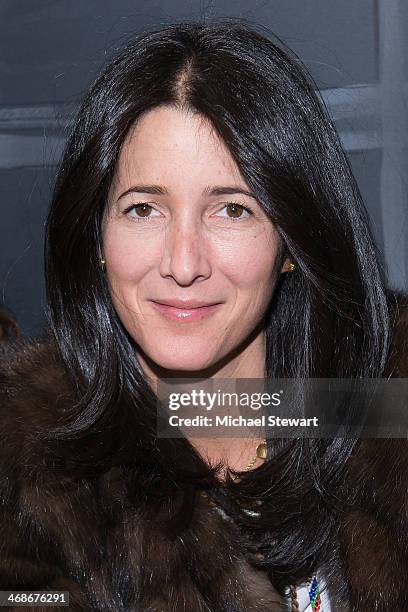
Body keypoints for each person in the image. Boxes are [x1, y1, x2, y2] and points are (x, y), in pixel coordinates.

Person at [0, 19, 407, 612]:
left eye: (232, 211)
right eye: (143, 209)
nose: (183, 263)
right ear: (95, 237)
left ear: (291, 241)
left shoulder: (386, 409)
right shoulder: (25, 465)